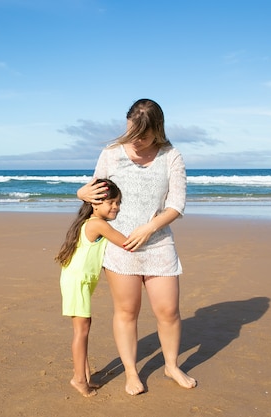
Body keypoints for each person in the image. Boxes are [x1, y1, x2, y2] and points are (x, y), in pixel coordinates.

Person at [76, 98, 197, 395]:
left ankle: (171, 365)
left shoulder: (171, 156)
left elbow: (177, 204)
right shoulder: (111, 154)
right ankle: (132, 372)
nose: (138, 141)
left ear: (158, 130)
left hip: (158, 244)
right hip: (119, 245)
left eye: (144, 135)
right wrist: (80, 192)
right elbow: (95, 195)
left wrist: (150, 227)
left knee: (168, 311)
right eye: (133, 133)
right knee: (127, 311)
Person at [56, 179, 129, 397]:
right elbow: (125, 243)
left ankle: (85, 375)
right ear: (95, 203)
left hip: (77, 279)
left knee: (83, 328)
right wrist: (149, 228)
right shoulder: (97, 223)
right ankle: (79, 379)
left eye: (118, 202)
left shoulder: (90, 221)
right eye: (112, 202)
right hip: (78, 281)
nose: (116, 206)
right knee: (82, 330)